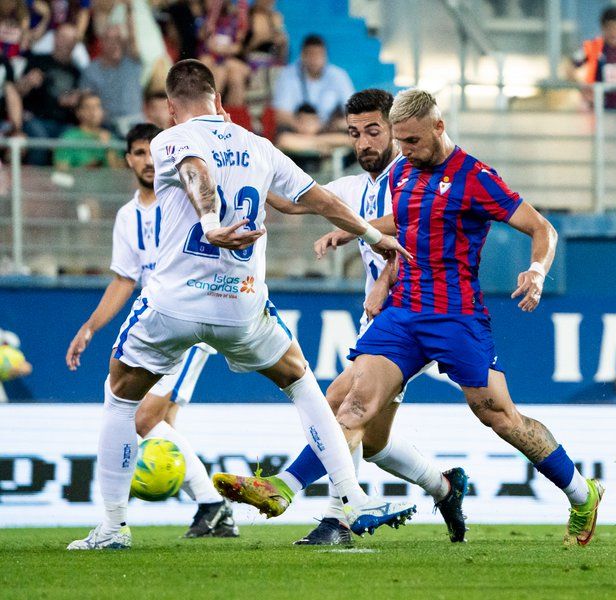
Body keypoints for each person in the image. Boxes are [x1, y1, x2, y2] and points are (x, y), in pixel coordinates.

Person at [66, 58, 415, 551]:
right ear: (220, 102)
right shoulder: (259, 146)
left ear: (171, 108)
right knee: (302, 383)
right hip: (242, 308)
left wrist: (209, 221)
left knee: (121, 397)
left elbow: (195, 169)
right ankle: (353, 498)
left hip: (174, 304)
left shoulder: (172, 139)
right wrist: (369, 235)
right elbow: (319, 199)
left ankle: (113, 528)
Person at [246, 88, 605, 547]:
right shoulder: (404, 174)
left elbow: (542, 228)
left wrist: (536, 271)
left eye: (413, 141)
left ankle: (581, 492)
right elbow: (412, 219)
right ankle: (284, 489)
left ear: (439, 127)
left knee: (499, 417)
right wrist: (355, 231)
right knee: (354, 404)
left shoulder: (476, 177)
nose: (405, 152)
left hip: (457, 318)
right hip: (403, 314)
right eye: (400, 142)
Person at [214, 89, 468, 547]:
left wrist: (383, 281)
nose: (365, 143)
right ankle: (445, 488)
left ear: (395, 129)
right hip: (385, 324)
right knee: (371, 441)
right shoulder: (352, 188)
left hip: (416, 317)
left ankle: (318, 508)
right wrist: (238, 171)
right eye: (355, 134)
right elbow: (292, 202)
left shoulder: (415, 179)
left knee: (339, 401)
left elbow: (420, 237)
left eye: (374, 131)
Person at [64, 123, 237, 538]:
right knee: (158, 421)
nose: (146, 160)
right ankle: (214, 508)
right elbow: (125, 279)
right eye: (138, 153)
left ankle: (204, 506)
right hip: (155, 322)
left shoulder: (186, 197)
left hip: (192, 319)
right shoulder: (127, 216)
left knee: (142, 416)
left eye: (151, 152)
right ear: (128, 159)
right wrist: (90, 326)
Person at [271, 34, 354, 153]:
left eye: (319, 55)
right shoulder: (288, 75)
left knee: (353, 134)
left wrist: (336, 124)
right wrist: (302, 126)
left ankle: (314, 143)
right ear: (302, 56)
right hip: (298, 130)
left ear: (325, 56)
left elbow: (353, 112)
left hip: (327, 129)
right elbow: (281, 114)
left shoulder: (339, 75)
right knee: (284, 140)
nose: (315, 59)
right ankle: (322, 144)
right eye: (311, 55)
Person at [17, 22, 81, 164]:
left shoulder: (76, 71)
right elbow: (17, 92)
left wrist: (76, 101)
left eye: (70, 40)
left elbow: (78, 100)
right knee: (40, 142)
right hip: (36, 119)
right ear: (55, 38)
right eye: (62, 37)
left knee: (74, 142)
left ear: (75, 44)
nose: (65, 43)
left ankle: (64, 184)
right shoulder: (37, 60)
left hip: (65, 123)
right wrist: (27, 82)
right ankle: (34, 185)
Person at [81, 21, 144, 133]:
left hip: (135, 124)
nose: (116, 43)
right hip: (107, 126)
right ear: (102, 43)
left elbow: (134, 39)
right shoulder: (91, 70)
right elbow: (86, 101)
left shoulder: (133, 62)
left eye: (119, 39)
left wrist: (129, 10)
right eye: (110, 39)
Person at [53, 91, 122, 170]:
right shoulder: (68, 138)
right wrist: (85, 170)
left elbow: (119, 174)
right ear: (78, 112)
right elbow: (61, 173)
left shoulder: (112, 139)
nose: (93, 112)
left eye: (97, 107)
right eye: (87, 107)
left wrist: (109, 149)